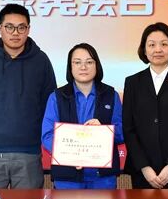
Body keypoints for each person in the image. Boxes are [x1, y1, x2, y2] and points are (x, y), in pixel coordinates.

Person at [0, 4, 57, 188]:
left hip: (28, 151)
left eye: (21, 27)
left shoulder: (41, 60)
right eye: (9, 27)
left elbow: (50, 104)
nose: (15, 33)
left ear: (28, 29)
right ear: (0, 28)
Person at [122, 23, 168, 189]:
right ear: (144, 49)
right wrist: (144, 167)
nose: (158, 50)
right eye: (151, 45)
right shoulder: (132, 83)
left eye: (164, 44)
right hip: (142, 171)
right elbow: (128, 129)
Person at [41, 43, 124, 189]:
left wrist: (104, 130)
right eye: (77, 62)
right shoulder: (56, 97)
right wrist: (72, 156)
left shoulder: (111, 95)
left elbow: (122, 132)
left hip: (102, 178)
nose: (83, 67)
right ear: (70, 66)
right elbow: (47, 135)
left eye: (89, 62)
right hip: (68, 178)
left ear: (97, 65)